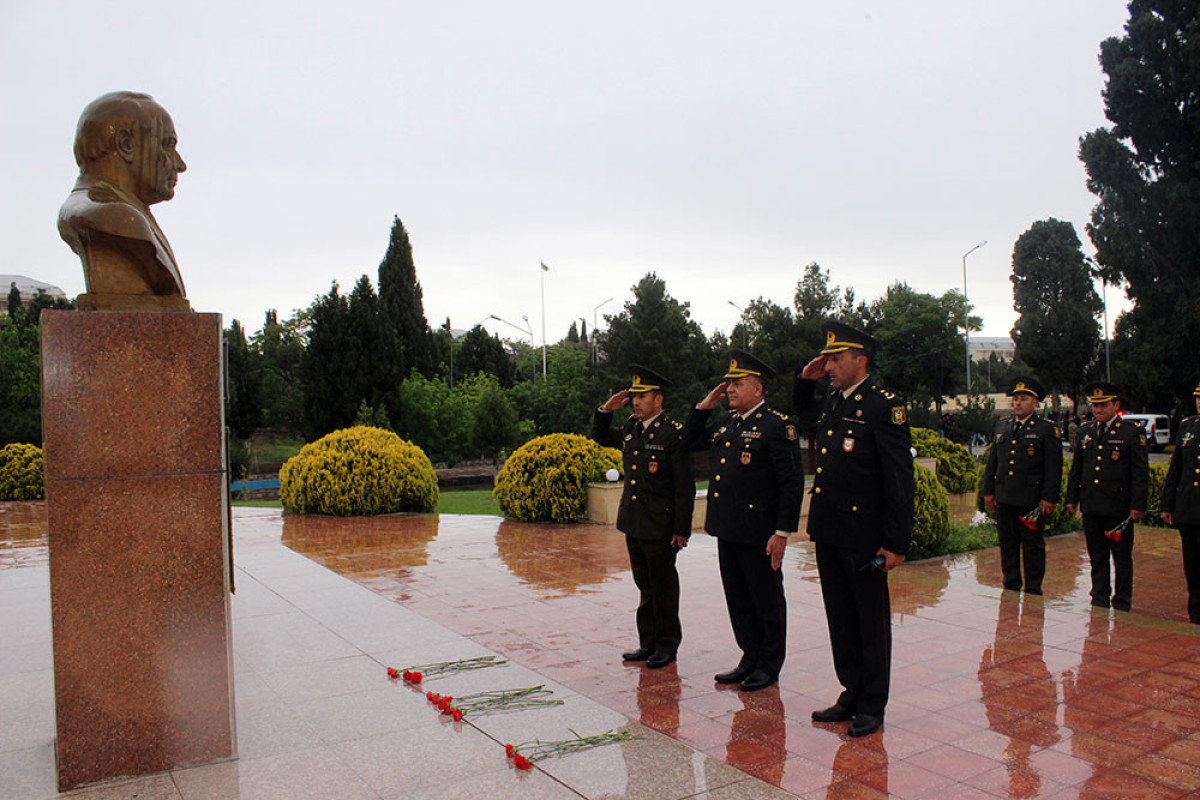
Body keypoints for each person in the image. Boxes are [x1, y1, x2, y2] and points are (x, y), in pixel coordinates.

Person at [793, 321, 914, 738]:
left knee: (870, 620)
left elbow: (900, 477)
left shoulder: (884, 405)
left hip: (863, 534)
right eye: (826, 359)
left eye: (836, 359)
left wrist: (895, 543)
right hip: (829, 529)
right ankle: (851, 690)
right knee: (840, 618)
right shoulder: (832, 401)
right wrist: (804, 384)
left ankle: (872, 703)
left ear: (860, 361)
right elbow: (802, 414)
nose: (828, 366)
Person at [680, 350, 801, 692]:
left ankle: (769, 664)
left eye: (737, 383)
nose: (729, 389)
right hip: (728, 528)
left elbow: (791, 482)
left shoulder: (777, 426)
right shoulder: (725, 423)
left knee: (766, 599)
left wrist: (782, 532)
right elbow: (688, 441)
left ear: (758, 389)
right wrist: (703, 407)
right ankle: (749, 657)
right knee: (739, 599)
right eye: (728, 383)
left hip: (761, 532)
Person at [592, 365, 695, 668]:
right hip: (635, 522)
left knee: (663, 588)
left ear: (658, 400)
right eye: (634, 396)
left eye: (643, 396)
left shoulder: (672, 434)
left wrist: (681, 529)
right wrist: (605, 410)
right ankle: (647, 643)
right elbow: (599, 435)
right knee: (644, 585)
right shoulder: (630, 428)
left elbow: (684, 487)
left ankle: (667, 645)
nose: (636, 401)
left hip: (661, 526)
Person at [58, 91, 191, 311]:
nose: (180, 164)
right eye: (167, 145)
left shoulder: (125, 215)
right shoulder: (113, 219)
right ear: (126, 144)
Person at [1065, 382, 1149, 611]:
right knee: (1097, 555)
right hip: (1092, 505)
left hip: (1118, 507)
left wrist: (1137, 505)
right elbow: (1077, 470)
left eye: (1104, 405)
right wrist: (1072, 499)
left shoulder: (1131, 433)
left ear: (1116, 405)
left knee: (1121, 558)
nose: (1099, 410)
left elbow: (1140, 473)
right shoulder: (1085, 432)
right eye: (1095, 405)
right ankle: (1099, 596)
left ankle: (1122, 601)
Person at [981, 377, 1063, 595]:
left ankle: (1034, 588)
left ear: (1035, 403)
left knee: (1032, 547)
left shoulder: (1046, 430)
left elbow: (1054, 468)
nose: (1018, 403)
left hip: (1031, 499)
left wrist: (1049, 497)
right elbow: (993, 461)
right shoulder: (1003, 425)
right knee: (1007, 545)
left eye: (1023, 399)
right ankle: (1011, 585)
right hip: (1005, 496)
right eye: (1015, 399)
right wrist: (988, 491)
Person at [1159, 380, 1200, 624]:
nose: (1199, 403)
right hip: (1188, 508)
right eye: (1197, 398)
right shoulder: (1187, 427)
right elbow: (1176, 470)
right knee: (1192, 565)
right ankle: (1196, 612)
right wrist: (1167, 505)